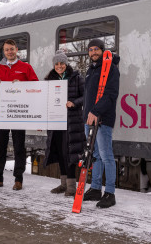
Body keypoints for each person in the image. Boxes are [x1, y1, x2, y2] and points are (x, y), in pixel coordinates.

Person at [0, 39, 39, 190]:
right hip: (2, 113)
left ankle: (18, 179)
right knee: (0, 146)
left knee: (19, 147)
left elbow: (35, 85)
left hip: (18, 113)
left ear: (17, 50)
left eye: (12, 49)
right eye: (6, 50)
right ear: (4, 52)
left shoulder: (25, 67)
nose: (9, 52)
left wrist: (23, 85)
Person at [82, 39, 120, 208]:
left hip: (102, 118)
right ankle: (96, 188)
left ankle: (110, 193)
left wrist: (96, 111)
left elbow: (111, 94)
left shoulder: (111, 68)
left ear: (103, 51)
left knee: (106, 156)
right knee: (95, 155)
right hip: (89, 119)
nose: (93, 52)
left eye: (96, 49)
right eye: (90, 50)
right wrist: (87, 115)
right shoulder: (91, 70)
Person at [43, 50, 85, 197]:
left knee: (70, 153)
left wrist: (74, 102)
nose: (59, 66)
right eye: (57, 64)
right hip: (56, 123)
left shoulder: (76, 78)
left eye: (62, 63)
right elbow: (44, 101)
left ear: (66, 64)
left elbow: (86, 96)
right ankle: (63, 184)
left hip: (72, 122)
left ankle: (72, 187)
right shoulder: (49, 80)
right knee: (60, 152)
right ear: (54, 65)